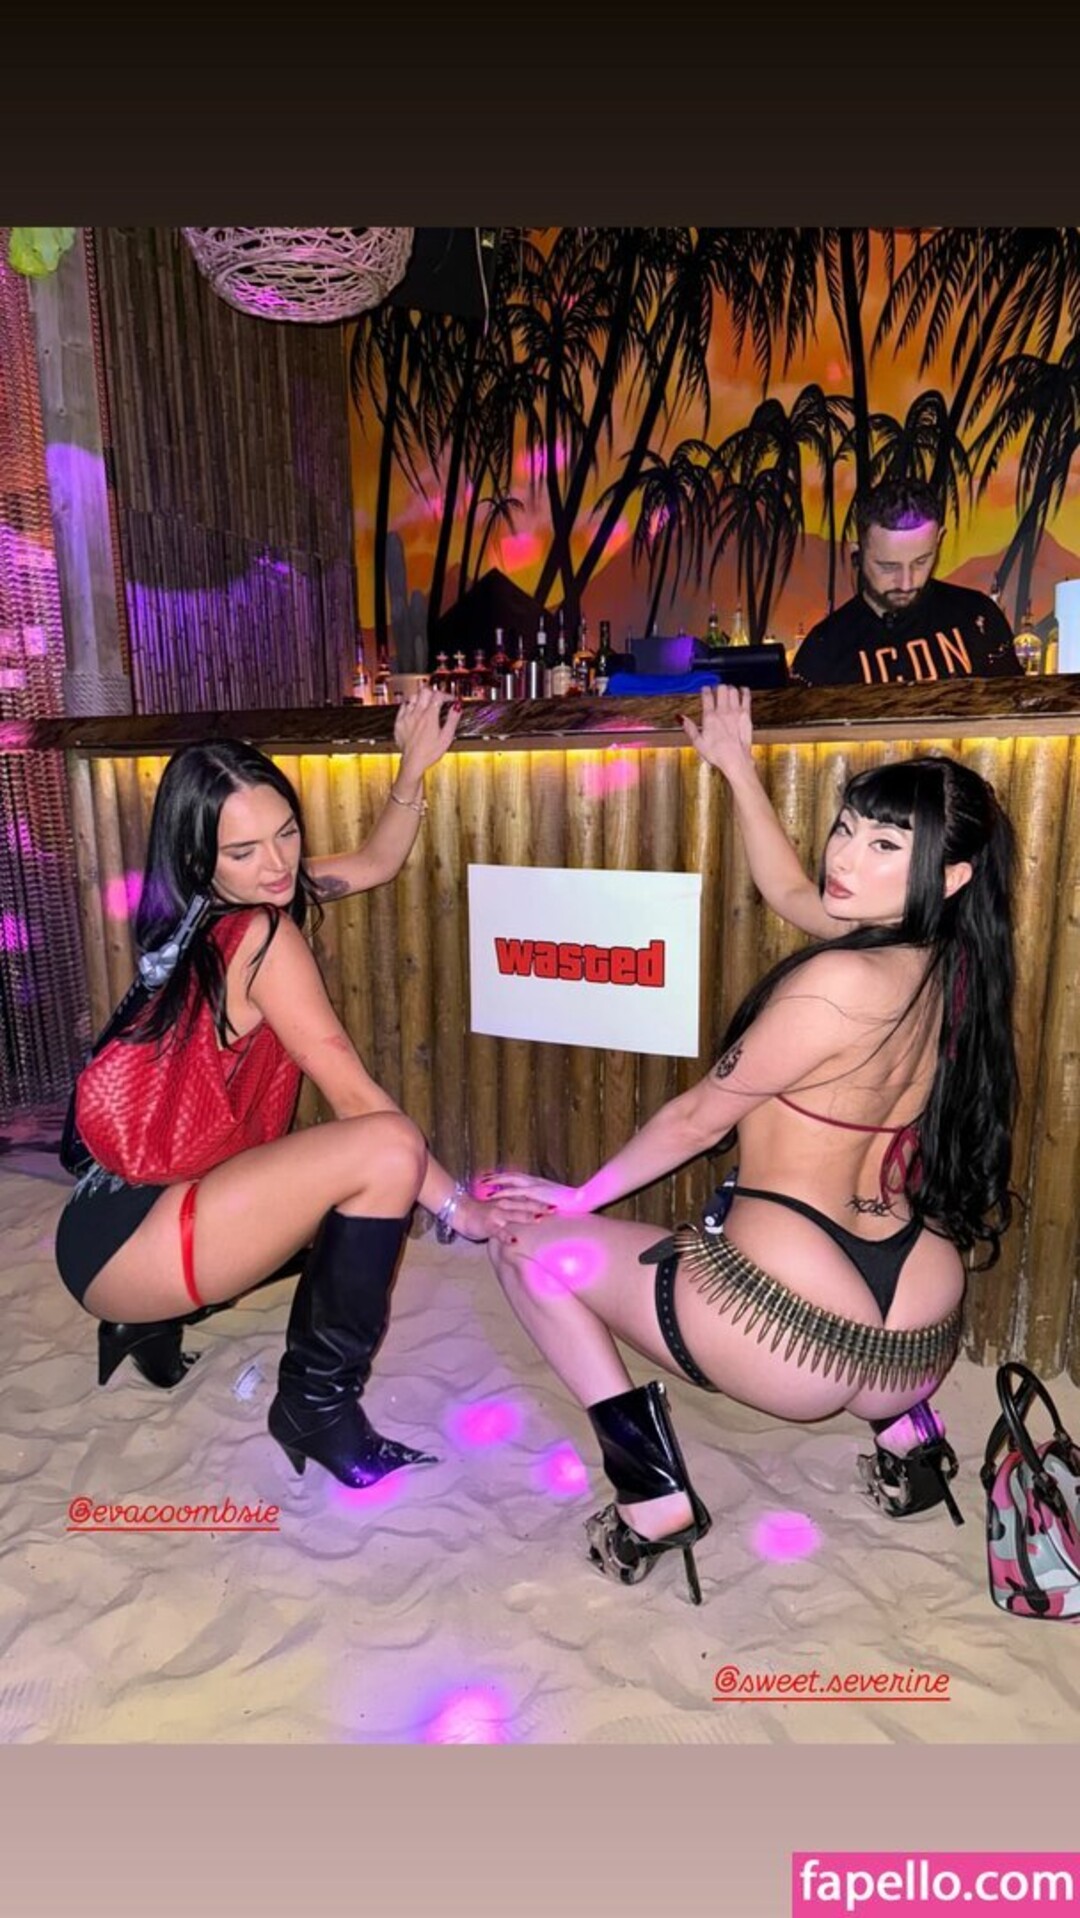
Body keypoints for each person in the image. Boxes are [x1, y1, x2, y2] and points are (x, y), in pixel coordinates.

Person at [487, 685, 1017, 1604]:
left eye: (885, 845)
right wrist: (737, 767)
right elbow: (793, 894)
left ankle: (653, 1498)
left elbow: (698, 1121)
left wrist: (575, 1200)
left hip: (795, 1335)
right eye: (847, 827)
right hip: (916, 1335)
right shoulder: (954, 958)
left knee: (524, 1250)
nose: (843, 856)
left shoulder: (837, 983)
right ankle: (911, 1449)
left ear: (950, 873)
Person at [54, 690, 540, 1489]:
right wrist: (465, 1212)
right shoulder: (260, 936)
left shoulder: (200, 908)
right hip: (137, 1243)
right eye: (245, 850)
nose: (277, 865)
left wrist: (412, 768)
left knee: (337, 1215)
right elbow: (357, 1098)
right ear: (202, 858)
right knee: (384, 1153)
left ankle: (145, 1326)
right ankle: (316, 1407)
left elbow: (375, 863)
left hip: (102, 1224)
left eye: (286, 833)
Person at [791, 478, 1022, 687]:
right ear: (857, 554)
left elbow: (1016, 709)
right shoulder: (824, 649)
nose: (906, 583)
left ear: (939, 540)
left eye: (921, 561)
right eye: (888, 566)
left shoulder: (977, 616)